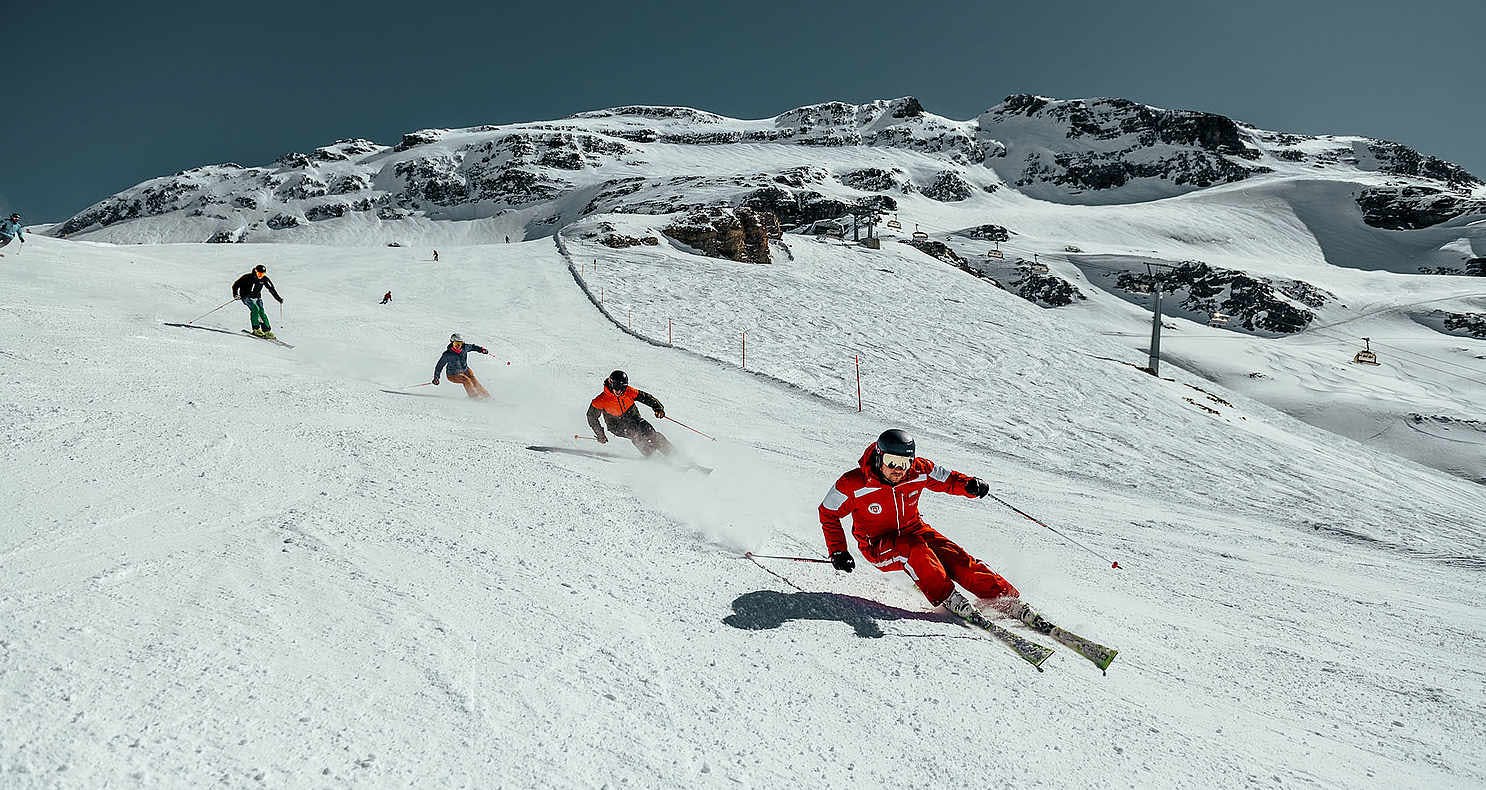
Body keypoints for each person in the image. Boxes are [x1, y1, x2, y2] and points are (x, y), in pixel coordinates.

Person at [818, 429, 1022, 621]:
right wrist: (838, 551)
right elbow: (828, 513)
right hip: (878, 545)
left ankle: (1003, 597)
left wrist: (969, 485)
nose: (898, 470)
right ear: (879, 457)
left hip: (915, 529)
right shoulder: (853, 483)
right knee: (913, 549)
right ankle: (947, 597)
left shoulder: (919, 470)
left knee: (954, 556)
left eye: (904, 463)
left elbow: (947, 479)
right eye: (891, 462)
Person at [586, 370, 672, 456]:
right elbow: (591, 417)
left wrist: (658, 408)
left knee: (648, 430)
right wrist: (600, 434)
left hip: (632, 417)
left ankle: (671, 453)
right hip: (615, 424)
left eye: (622, 387)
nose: (618, 390)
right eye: (616, 386)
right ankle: (653, 456)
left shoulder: (628, 391)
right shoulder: (601, 400)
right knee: (634, 434)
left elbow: (646, 398)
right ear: (611, 383)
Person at [231, 264, 284, 338]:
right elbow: (236, 285)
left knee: (261, 312)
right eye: (259, 273)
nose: (260, 275)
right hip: (246, 297)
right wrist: (235, 294)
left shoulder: (264, 279)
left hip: (257, 297)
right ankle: (256, 329)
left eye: (262, 274)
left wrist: (278, 298)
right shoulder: (247, 277)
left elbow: (271, 289)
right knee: (255, 309)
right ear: (256, 271)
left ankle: (267, 331)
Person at [432, 333, 491, 398]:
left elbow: (473, 347)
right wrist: (436, 377)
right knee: (466, 380)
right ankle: (474, 397)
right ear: (452, 343)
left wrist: (482, 349)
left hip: (465, 370)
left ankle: (486, 396)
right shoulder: (447, 354)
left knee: (474, 380)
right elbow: (439, 366)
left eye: (459, 344)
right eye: (456, 344)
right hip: (453, 374)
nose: (458, 346)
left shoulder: (465, 348)